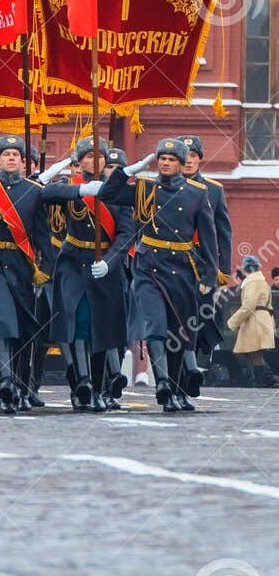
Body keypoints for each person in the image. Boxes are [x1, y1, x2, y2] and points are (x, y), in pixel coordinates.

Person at [0, 135, 91, 416]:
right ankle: (4, 382)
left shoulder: (34, 191)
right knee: (2, 318)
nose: (11, 158)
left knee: (21, 327)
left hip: (20, 264)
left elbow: (41, 234)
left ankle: (18, 383)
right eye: (7, 154)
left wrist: (46, 269)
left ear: (23, 162)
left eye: (16, 155)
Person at [98, 137, 221, 412]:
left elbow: (210, 240)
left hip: (181, 269)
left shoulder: (197, 193)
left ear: (180, 164)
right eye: (161, 159)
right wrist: (129, 170)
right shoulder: (143, 188)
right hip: (148, 266)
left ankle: (177, 390)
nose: (165, 163)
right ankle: (163, 383)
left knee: (180, 331)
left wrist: (209, 277)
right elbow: (106, 194)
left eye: (171, 159)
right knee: (155, 325)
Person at [39, 136, 137, 413]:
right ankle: (81, 383)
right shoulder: (71, 188)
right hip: (73, 262)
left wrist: (110, 261)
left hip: (103, 266)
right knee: (79, 320)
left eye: (100, 156)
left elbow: (127, 233)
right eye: (89, 157)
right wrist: (81, 193)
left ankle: (97, 386)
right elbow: (45, 193)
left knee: (100, 329)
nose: (95, 161)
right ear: (79, 161)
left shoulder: (118, 194)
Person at [181, 135, 235, 386]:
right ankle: (182, 366)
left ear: (200, 159)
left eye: (194, 156)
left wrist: (223, 269)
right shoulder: (163, 187)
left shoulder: (213, 189)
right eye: (186, 156)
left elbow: (223, 231)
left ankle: (198, 360)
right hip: (171, 261)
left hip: (202, 265)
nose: (189, 161)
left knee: (199, 313)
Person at [227, 255, 278, 388]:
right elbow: (269, 306)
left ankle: (265, 378)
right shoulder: (263, 282)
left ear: (246, 269)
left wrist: (233, 322)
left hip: (254, 321)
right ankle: (266, 378)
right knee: (254, 353)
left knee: (250, 352)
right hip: (263, 320)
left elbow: (248, 306)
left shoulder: (251, 283)